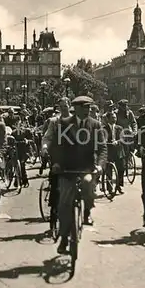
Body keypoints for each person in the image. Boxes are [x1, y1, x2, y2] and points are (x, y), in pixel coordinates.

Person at [47, 96, 107, 254]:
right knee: (64, 205)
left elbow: (102, 148)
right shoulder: (64, 124)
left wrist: (100, 166)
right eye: (84, 107)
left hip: (86, 168)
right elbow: (56, 146)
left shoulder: (95, 125)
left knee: (88, 184)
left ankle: (87, 212)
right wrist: (57, 163)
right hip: (67, 170)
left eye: (89, 107)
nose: (87, 110)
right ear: (76, 109)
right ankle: (64, 239)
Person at [104, 112, 125, 194]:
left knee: (121, 168)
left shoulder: (119, 128)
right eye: (112, 118)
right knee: (108, 170)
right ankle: (109, 188)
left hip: (118, 150)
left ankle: (119, 186)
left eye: (115, 117)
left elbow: (122, 139)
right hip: (109, 151)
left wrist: (117, 141)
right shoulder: (104, 128)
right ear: (108, 119)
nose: (114, 119)